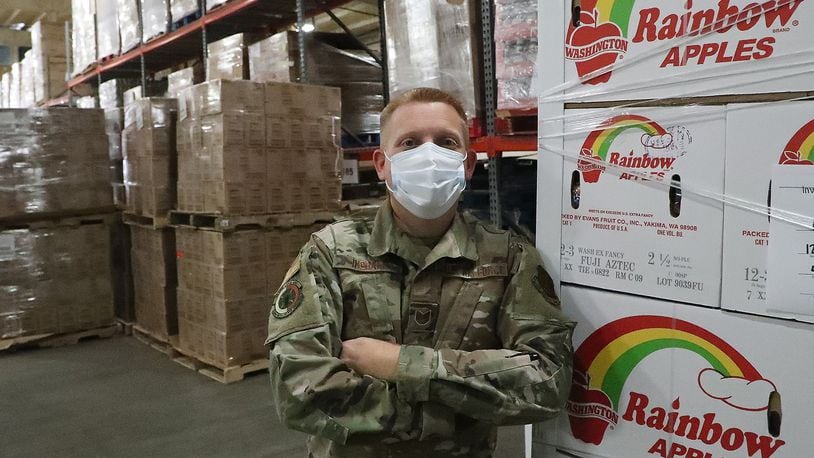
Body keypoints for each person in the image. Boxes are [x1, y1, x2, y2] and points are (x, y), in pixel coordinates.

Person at [266, 87, 575, 457]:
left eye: (446, 142)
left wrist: (401, 365)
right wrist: (456, 408)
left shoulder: (509, 258)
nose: (429, 155)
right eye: (410, 143)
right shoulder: (331, 253)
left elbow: (549, 380)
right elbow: (299, 388)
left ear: (468, 164)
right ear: (382, 164)